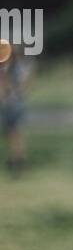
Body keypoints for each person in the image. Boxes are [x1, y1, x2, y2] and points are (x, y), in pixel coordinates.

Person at [0, 40, 30, 175]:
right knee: (15, 133)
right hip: (17, 102)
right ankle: (18, 159)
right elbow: (25, 86)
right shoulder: (22, 67)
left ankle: (16, 160)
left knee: (13, 132)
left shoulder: (8, 69)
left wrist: (6, 82)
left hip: (11, 103)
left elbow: (7, 87)